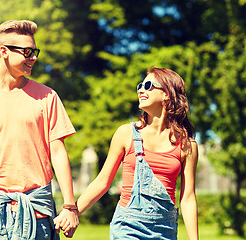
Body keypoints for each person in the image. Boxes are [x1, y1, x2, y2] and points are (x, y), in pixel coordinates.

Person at [0, 20, 79, 240]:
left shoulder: (47, 97)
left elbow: (58, 152)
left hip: (37, 210)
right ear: (3, 52)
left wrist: (70, 206)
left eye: (35, 52)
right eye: (27, 52)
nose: (33, 57)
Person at [66, 67, 199, 239]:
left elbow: (188, 198)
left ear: (167, 94)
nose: (141, 90)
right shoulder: (126, 133)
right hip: (127, 228)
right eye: (140, 86)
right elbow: (103, 181)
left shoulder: (187, 146)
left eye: (149, 85)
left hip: (165, 230)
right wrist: (73, 211)